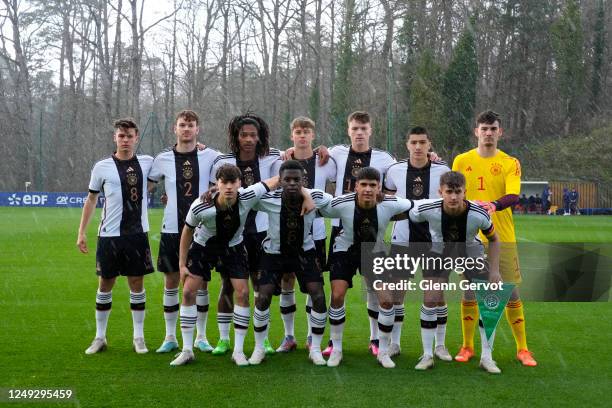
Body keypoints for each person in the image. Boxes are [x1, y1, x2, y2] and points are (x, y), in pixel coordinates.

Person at [170, 165, 280, 366]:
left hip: (233, 247)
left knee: (243, 293)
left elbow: (276, 180)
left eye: (233, 182)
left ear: (240, 183)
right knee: (187, 293)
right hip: (204, 246)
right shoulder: (201, 206)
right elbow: (187, 231)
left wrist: (304, 193)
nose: (228, 187)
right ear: (217, 183)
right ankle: (187, 350)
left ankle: (238, 351)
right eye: (224, 182)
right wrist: (181, 264)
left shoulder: (247, 196)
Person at [452, 110, 537, 367]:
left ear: (500, 132)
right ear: (476, 131)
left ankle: (522, 349)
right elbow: (453, 191)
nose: (488, 133)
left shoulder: (510, 162)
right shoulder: (461, 160)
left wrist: (492, 205)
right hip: (468, 238)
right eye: (484, 128)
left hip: (502, 236)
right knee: (469, 291)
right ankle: (467, 346)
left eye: (493, 129)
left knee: (510, 291)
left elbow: (514, 196)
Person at [318, 167, 416, 368]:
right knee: (337, 295)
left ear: (379, 187)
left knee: (387, 300)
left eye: (373, 185)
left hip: (374, 251)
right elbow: (319, 205)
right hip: (344, 250)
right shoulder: (343, 203)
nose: (368, 189)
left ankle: (383, 351)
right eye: (363, 185)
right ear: (356, 187)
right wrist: (307, 197)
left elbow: (416, 205)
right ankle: (336, 349)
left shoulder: (390, 203)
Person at [408, 171, 503, 373]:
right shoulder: (427, 209)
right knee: (431, 298)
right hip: (439, 251)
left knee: (489, 298)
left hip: (470, 251)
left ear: (465, 192)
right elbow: (405, 212)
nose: (453, 196)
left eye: (457, 192)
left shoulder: (478, 214)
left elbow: (494, 239)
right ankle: (428, 354)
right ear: (440, 191)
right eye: (449, 191)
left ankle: (487, 357)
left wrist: (494, 270)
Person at [77, 118, 154, 354]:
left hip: (137, 234)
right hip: (110, 235)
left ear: (136, 137)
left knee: (136, 284)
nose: (125, 140)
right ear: (115, 138)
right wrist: (81, 232)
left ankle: (138, 337)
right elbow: (91, 199)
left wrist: (198, 145)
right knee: (105, 283)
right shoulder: (102, 167)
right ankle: (100, 337)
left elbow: (170, 170)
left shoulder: (148, 162)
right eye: (121, 136)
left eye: (129, 136)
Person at [147, 110, 220, 354]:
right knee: (171, 281)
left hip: (201, 231)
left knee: (201, 284)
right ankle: (170, 337)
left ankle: (201, 336)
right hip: (171, 228)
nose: (186, 129)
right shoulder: (162, 159)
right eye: (182, 125)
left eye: (190, 125)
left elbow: (232, 165)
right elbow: (147, 180)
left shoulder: (210, 156)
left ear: (198, 129)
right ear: (174, 129)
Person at [210, 113, 282, 356]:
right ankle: (223, 339)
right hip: (231, 233)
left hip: (261, 232)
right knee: (228, 285)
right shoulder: (224, 160)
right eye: (244, 135)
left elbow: (291, 163)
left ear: (260, 136)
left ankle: (263, 338)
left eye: (253, 135)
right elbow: (215, 188)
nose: (249, 139)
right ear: (235, 137)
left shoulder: (272, 156)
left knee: (261, 286)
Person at [325, 111, 396, 357]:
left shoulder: (384, 158)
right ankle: (334, 343)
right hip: (341, 229)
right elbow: (311, 159)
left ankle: (375, 338)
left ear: (370, 130)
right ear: (348, 130)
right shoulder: (334, 153)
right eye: (355, 128)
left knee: (374, 288)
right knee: (337, 291)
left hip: (372, 230)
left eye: (363, 128)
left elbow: (397, 180)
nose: (359, 133)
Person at [249, 160, 333, 365]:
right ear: (280, 180)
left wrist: (308, 194)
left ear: (303, 180)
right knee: (263, 297)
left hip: (304, 253)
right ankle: (259, 347)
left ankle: (314, 348)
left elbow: (341, 203)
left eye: (297, 179)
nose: (292, 183)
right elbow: (245, 195)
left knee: (319, 296)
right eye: (287, 179)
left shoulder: (317, 197)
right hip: (274, 253)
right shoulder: (269, 199)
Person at [383, 126, 450, 359]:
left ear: (429, 144)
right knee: (396, 293)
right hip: (402, 239)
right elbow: (388, 197)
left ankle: (439, 346)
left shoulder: (443, 169)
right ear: (407, 145)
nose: (419, 146)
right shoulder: (395, 170)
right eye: (414, 142)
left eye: (423, 142)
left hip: (435, 241)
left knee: (435, 294)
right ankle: (395, 343)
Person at [278, 117, 337, 352]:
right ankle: (289, 335)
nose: (302, 135)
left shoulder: (326, 161)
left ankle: (313, 337)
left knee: (314, 284)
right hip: (287, 231)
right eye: (298, 131)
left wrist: (326, 150)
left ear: (313, 135)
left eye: (306, 132)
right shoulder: (281, 160)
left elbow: (339, 180)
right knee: (287, 281)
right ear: (292, 135)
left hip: (317, 232)